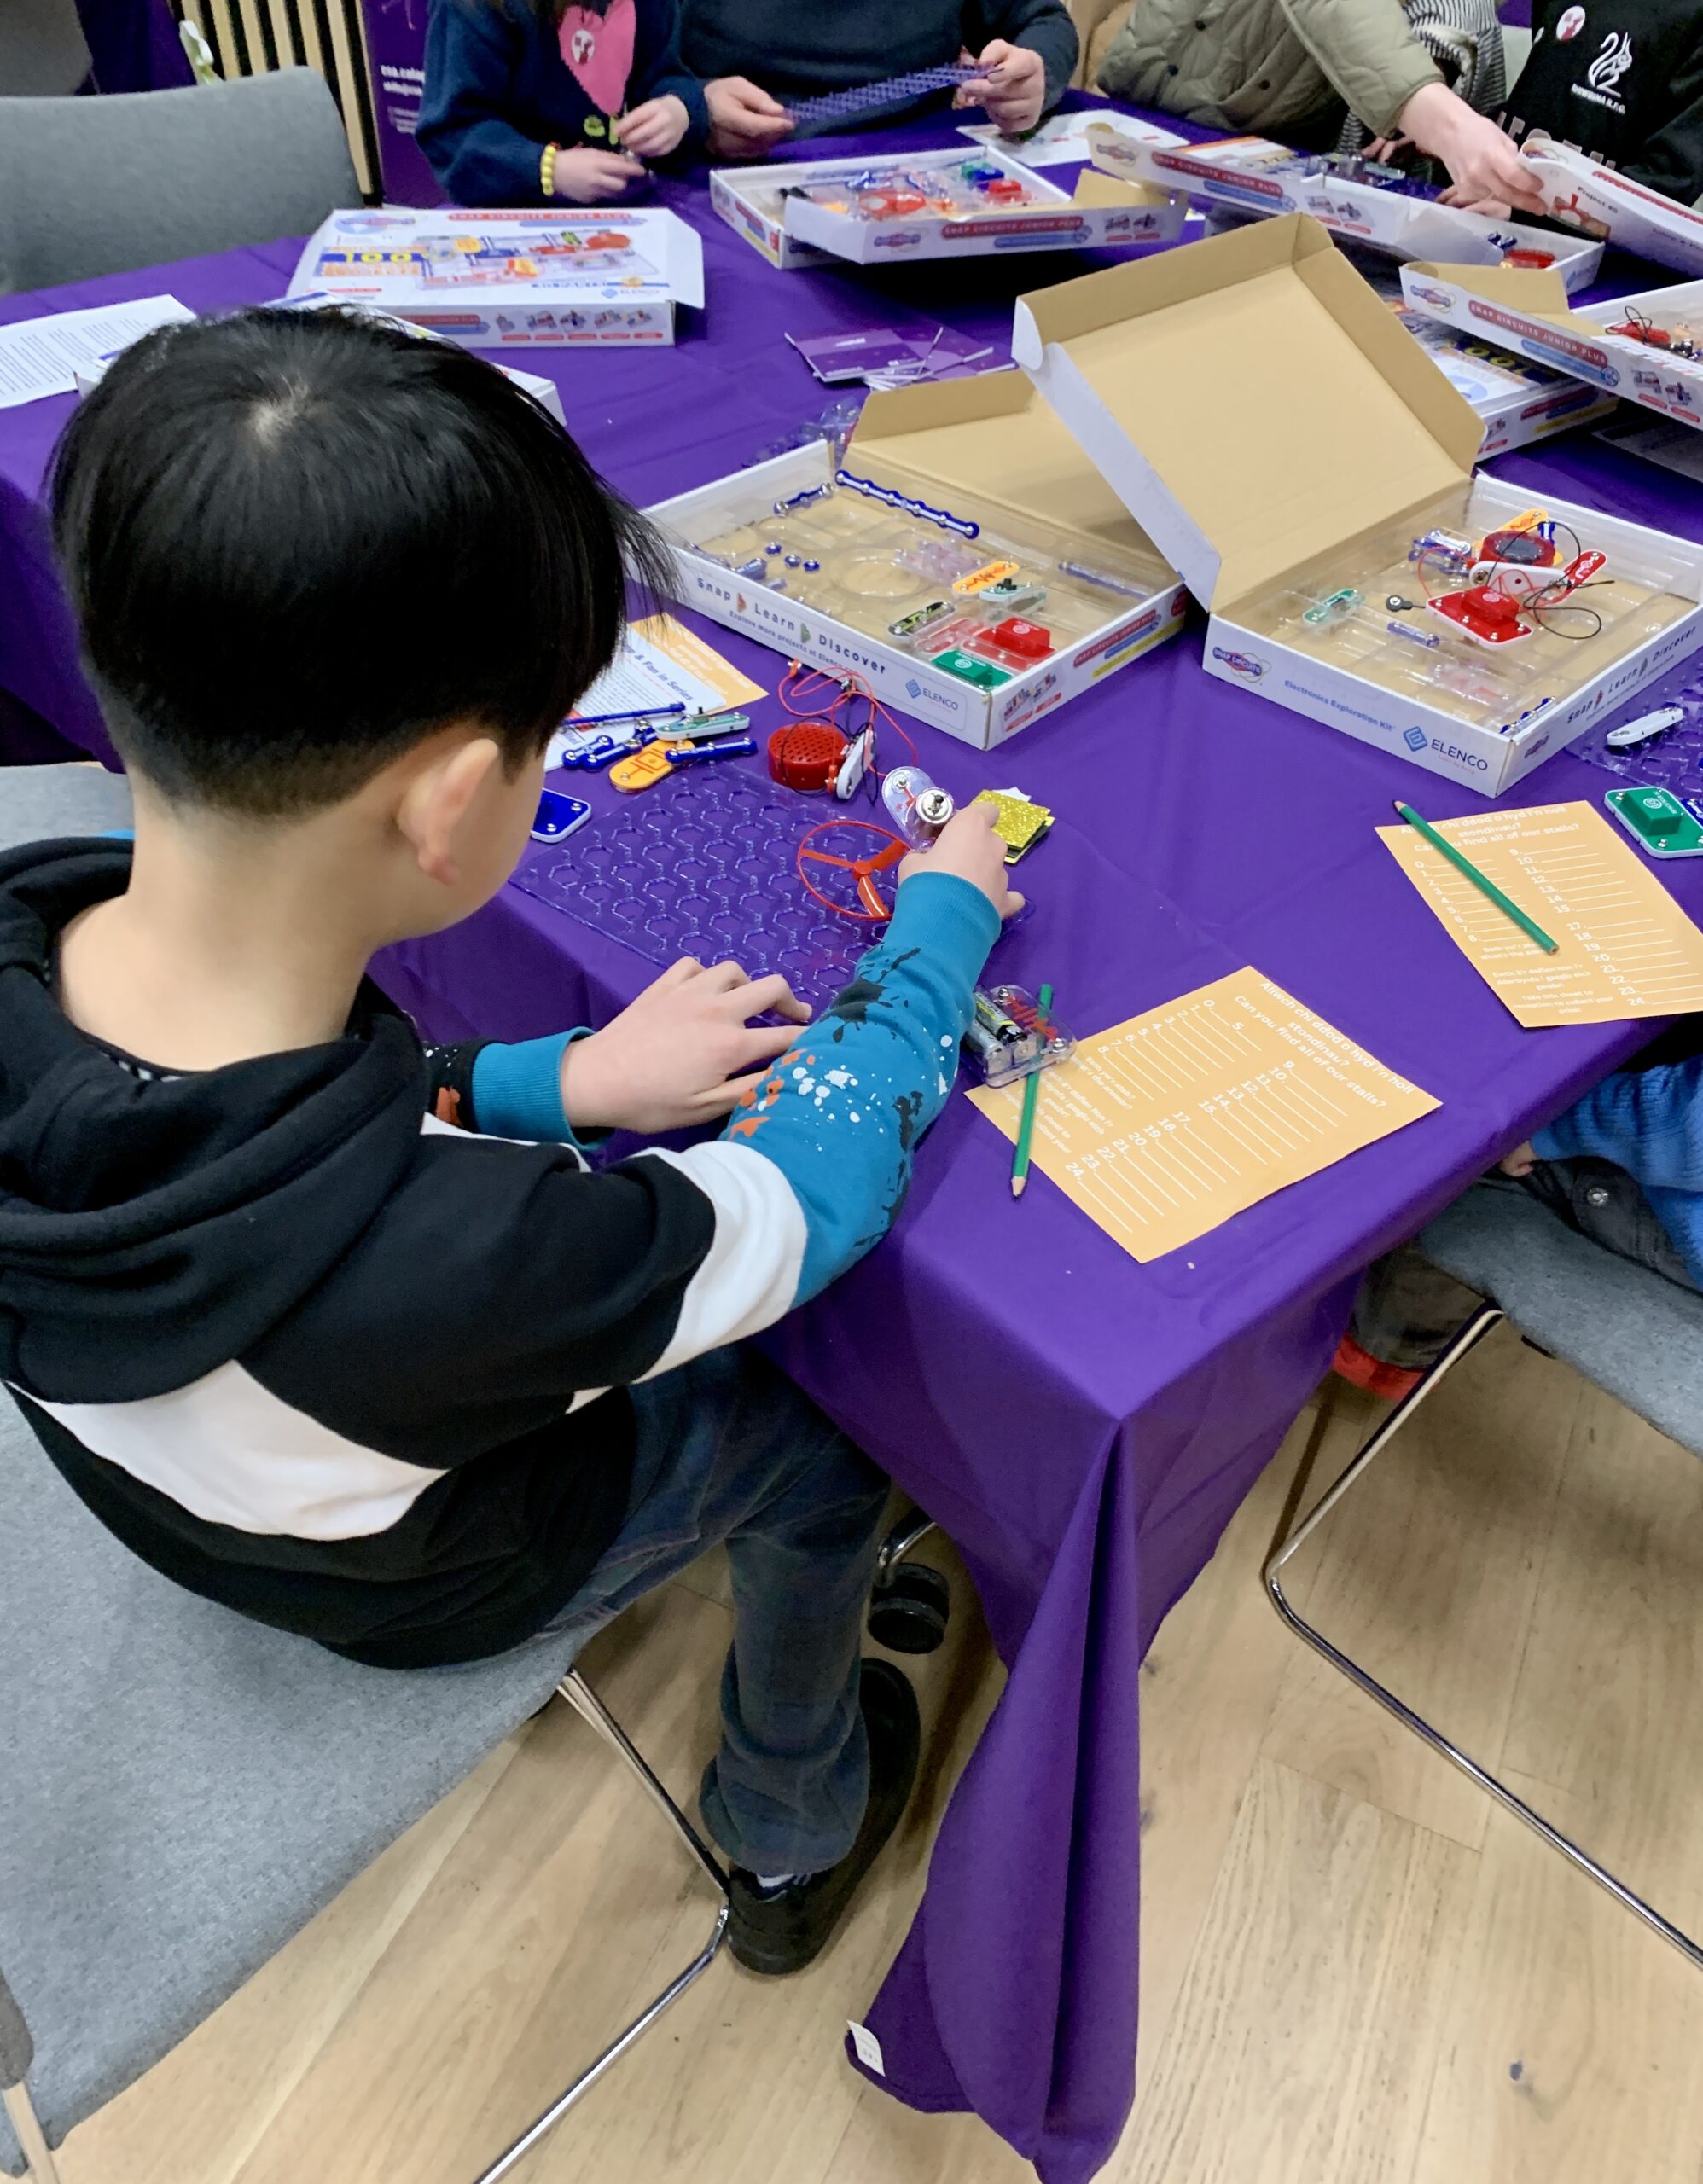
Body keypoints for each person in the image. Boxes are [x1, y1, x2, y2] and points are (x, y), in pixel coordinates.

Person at [0, 305, 1020, 1975]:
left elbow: (287, 1128)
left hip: (173, 1474)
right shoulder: (483, 1259)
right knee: (827, 1416)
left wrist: (562, 1080)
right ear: (454, 802)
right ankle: (790, 1813)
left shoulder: (36, 931)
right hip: (415, 1569)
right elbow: (805, 1193)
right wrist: (936, 932)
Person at [1338, 1045, 1703, 1398]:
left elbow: (1685, 1128)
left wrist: (1551, 1129)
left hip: (1676, 1178)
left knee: (1462, 1137)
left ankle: (1382, 1354)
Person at [1096, 0, 1542, 213]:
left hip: (1251, 154)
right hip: (1152, 111)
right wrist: (1444, 121)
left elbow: (1457, 26)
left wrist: (1439, 108)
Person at [684, 0, 1077, 161]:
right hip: (736, 170)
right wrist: (691, 106)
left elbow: (1042, 21)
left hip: (923, 170)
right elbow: (629, 86)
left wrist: (1035, 72)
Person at [417, 0, 706, 206]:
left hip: (623, 210)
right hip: (514, 212)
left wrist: (677, 110)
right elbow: (452, 136)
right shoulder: (470, 9)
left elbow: (663, 74)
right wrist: (549, 170)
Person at [1496, 0, 1703, 209]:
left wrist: (1525, 211)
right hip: (1492, 202)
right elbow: (1544, 94)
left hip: (1579, 229)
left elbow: (1668, 181)